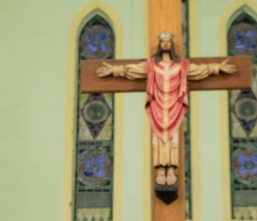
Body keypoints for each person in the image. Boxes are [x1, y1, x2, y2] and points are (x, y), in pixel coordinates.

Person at [95, 33, 236, 197]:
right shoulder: (151, 65)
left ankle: (171, 171)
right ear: (160, 45)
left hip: (174, 107)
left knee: (173, 138)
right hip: (158, 107)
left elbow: (199, 70)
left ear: (172, 45)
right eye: (163, 42)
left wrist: (217, 68)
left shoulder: (182, 66)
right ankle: (160, 170)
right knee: (159, 138)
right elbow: (133, 70)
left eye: (168, 42)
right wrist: (114, 69)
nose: (165, 44)